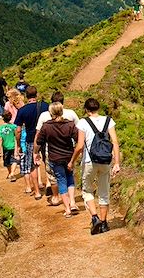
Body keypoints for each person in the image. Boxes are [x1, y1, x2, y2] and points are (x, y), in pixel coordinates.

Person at [70, 97, 121, 235]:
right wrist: (116, 162)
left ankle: (94, 217)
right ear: (98, 108)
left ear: (86, 110)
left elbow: (80, 146)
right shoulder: (108, 121)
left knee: (87, 190)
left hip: (89, 161)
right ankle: (104, 223)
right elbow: (115, 142)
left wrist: (72, 161)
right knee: (104, 192)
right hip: (105, 161)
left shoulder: (82, 122)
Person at [35, 102, 79, 218]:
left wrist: (35, 153)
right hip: (69, 157)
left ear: (51, 113)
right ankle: (73, 203)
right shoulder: (70, 125)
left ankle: (67, 209)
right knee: (70, 178)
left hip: (55, 158)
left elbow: (39, 141)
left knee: (61, 180)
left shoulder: (46, 126)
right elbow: (78, 140)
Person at [14, 86, 49, 199]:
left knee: (32, 165)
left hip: (30, 140)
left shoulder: (22, 110)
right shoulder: (45, 106)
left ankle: (37, 192)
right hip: (46, 138)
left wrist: (18, 145)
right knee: (48, 161)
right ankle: (49, 183)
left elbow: (18, 130)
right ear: (36, 95)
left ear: (26, 96)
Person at [0, 111, 18, 182]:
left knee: (7, 161)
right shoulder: (14, 127)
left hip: (5, 147)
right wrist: (17, 147)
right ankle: (11, 173)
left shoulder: (0, 128)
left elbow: (0, 140)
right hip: (13, 146)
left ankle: (11, 173)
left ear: (3, 118)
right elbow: (16, 137)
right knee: (15, 160)